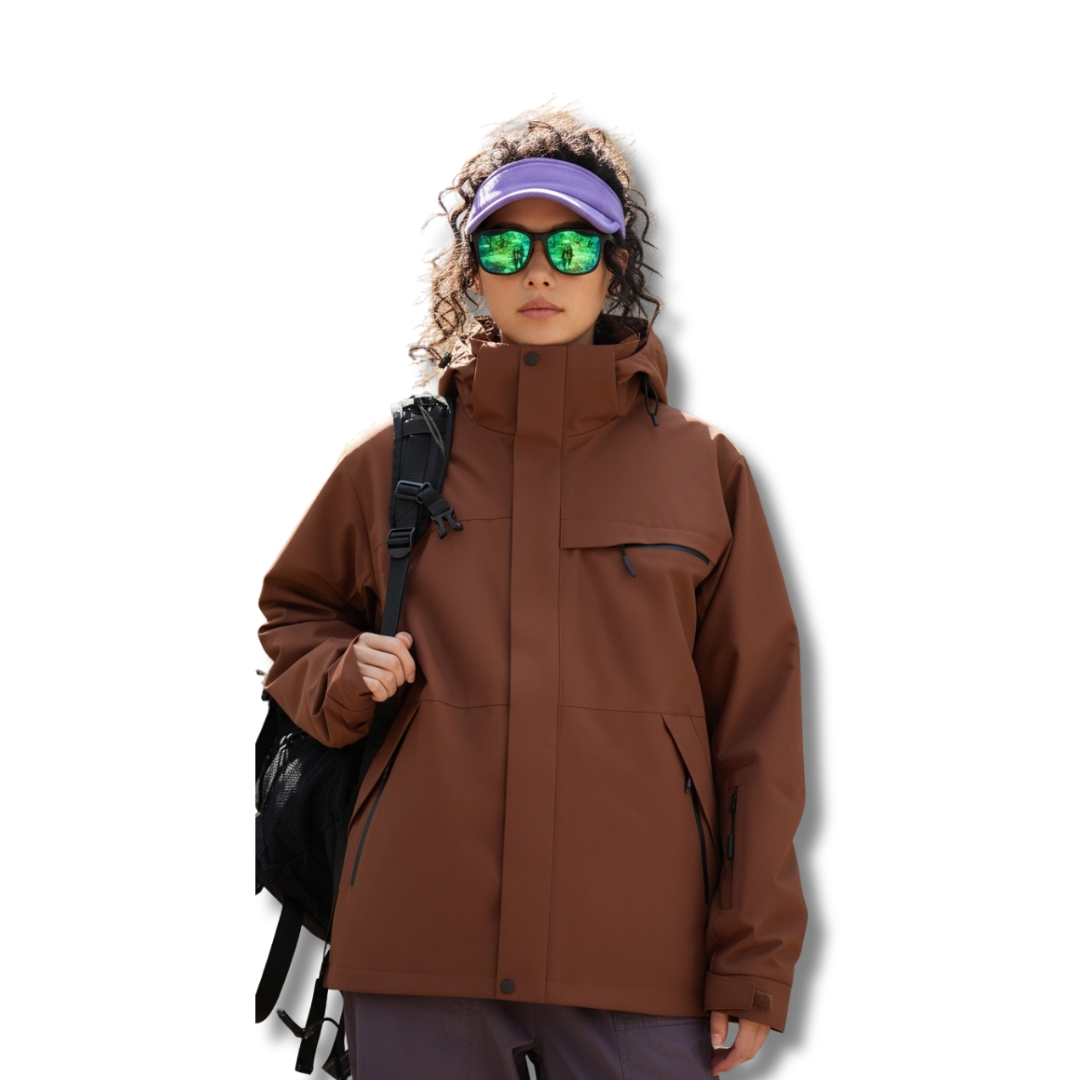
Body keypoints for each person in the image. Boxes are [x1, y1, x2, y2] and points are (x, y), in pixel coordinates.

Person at [258, 108, 807, 1079]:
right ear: (473, 272)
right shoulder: (394, 463)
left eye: (571, 246)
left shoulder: (702, 471)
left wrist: (752, 960)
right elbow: (295, 618)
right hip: (420, 939)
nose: (539, 272)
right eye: (507, 247)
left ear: (613, 265)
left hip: (639, 950)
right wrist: (345, 672)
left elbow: (757, 732)